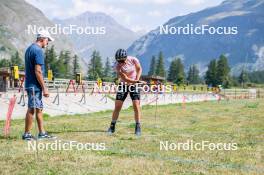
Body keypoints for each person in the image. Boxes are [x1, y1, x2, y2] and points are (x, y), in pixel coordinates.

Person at [22, 30, 55, 140]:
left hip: (31, 84)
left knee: (39, 109)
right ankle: (27, 134)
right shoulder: (38, 51)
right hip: (34, 86)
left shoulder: (30, 49)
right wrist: (44, 87)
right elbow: (38, 71)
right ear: (42, 39)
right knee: (32, 109)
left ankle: (42, 133)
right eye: (47, 40)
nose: (48, 43)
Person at [107, 49, 146, 136]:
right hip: (123, 85)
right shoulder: (117, 66)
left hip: (134, 85)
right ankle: (112, 126)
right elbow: (125, 79)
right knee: (117, 106)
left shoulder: (133, 60)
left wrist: (137, 80)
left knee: (136, 105)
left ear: (126, 58)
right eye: (119, 61)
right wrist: (138, 82)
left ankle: (138, 126)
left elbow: (139, 69)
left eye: (122, 61)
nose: (120, 62)